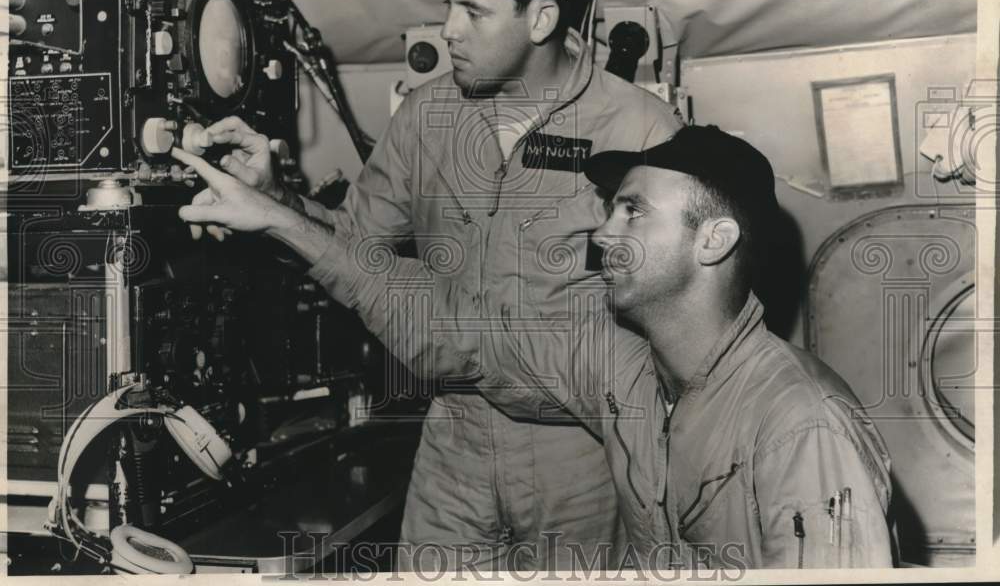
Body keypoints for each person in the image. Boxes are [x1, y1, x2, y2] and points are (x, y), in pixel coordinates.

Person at [178, 0, 682, 569]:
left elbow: (676, 330)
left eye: (472, 10)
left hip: (583, 454)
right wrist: (279, 199)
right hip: (455, 442)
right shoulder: (428, 116)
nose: (448, 30)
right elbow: (355, 249)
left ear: (541, 18)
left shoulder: (642, 131)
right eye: (447, 2)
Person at [172, 124, 894, 571]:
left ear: (714, 240)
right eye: (613, 208)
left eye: (633, 211)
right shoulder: (622, 365)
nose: (605, 233)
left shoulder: (801, 426)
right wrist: (279, 220)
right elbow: (454, 329)